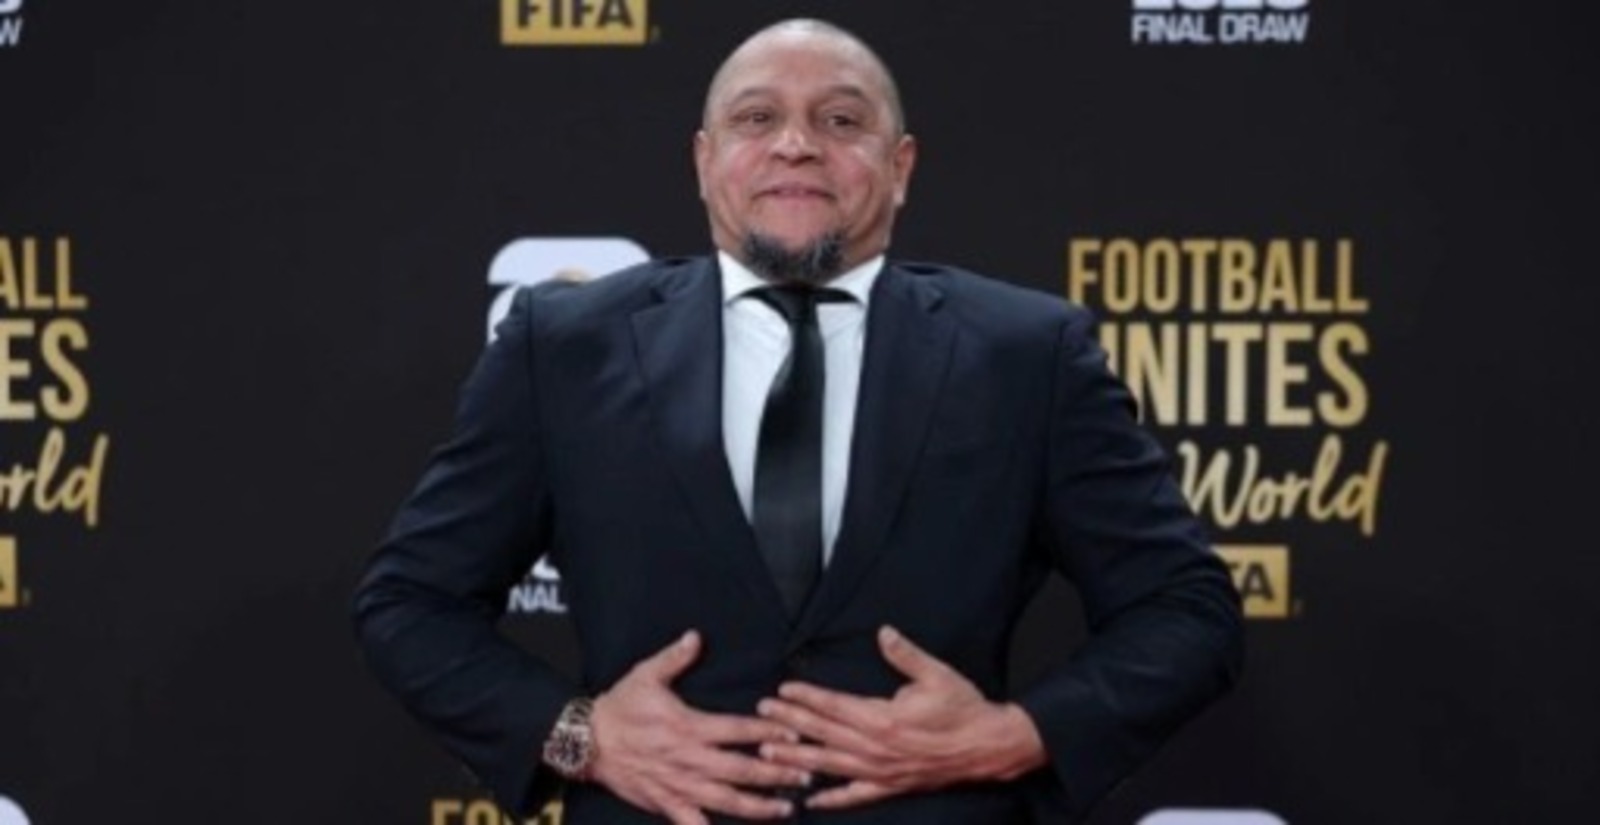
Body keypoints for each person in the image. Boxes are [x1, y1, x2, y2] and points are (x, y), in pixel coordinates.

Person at [353, 18, 1243, 825]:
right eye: (756, 118)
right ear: (704, 161)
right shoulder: (563, 346)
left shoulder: (1028, 354)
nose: (795, 144)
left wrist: (1013, 736)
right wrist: (582, 734)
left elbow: (1186, 609)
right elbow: (411, 603)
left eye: (841, 120)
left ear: (901, 168)